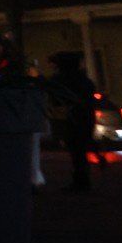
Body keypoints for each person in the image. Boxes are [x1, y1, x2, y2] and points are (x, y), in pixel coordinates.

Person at [47, 51, 98, 193]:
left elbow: (54, 97)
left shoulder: (60, 79)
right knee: (80, 151)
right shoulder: (83, 80)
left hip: (71, 119)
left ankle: (81, 182)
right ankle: (82, 180)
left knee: (76, 151)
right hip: (85, 118)